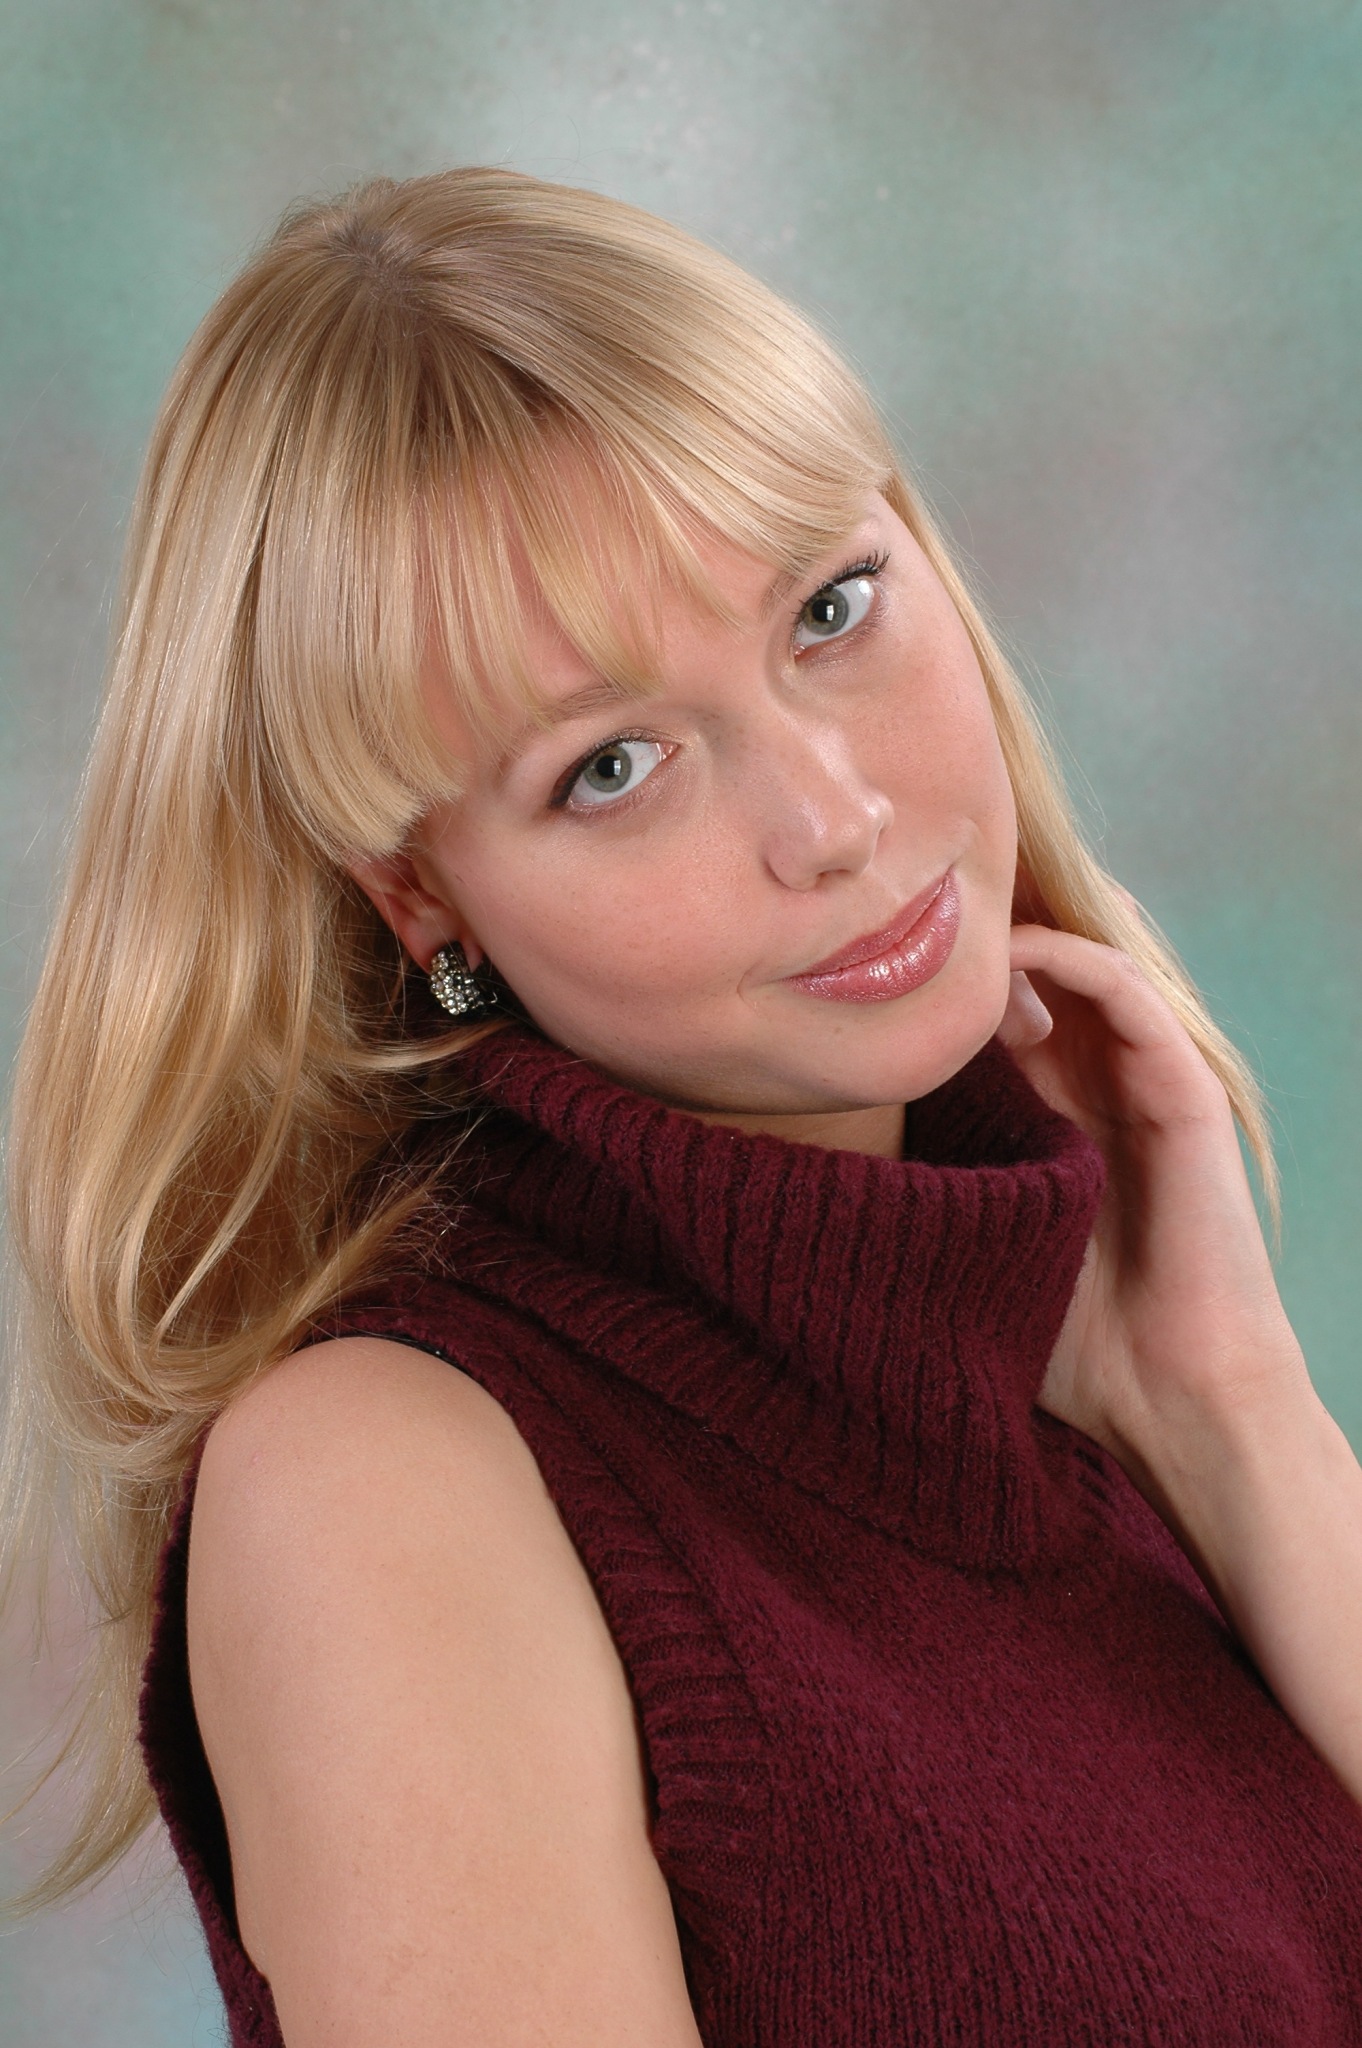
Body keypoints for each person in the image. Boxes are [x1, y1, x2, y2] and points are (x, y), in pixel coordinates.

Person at [5, 166, 1362, 2048]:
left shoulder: (1085, 1391)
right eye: (613, 765)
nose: (831, 817)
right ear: (423, 900)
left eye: (831, 608)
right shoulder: (384, 1481)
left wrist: (1230, 1414)